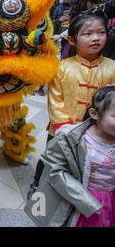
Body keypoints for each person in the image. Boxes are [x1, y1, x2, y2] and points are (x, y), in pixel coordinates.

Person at [28, 14, 115, 199]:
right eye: (88, 33)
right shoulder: (62, 67)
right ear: (72, 40)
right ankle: (38, 186)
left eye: (101, 32)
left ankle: (78, 192)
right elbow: (55, 99)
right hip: (61, 128)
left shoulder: (112, 68)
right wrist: (63, 126)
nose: (96, 38)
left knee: (86, 164)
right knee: (51, 159)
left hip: (97, 132)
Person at [25, 86, 115, 227]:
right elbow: (55, 170)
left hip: (109, 201)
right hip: (76, 200)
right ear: (94, 113)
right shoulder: (72, 139)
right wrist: (84, 199)